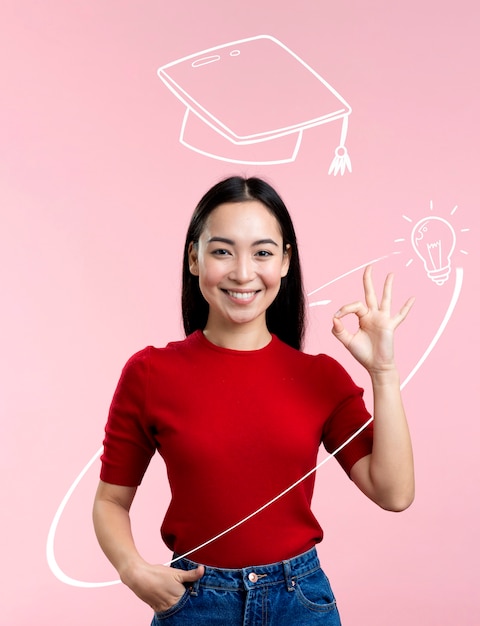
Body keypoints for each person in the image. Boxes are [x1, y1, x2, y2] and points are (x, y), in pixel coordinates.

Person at [93, 175, 415, 625]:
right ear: (194, 258)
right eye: (222, 250)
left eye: (262, 252)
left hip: (299, 602)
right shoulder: (150, 374)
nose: (243, 272)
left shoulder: (320, 377)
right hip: (194, 603)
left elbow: (394, 493)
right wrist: (132, 570)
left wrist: (384, 371)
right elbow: (110, 501)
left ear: (285, 262)